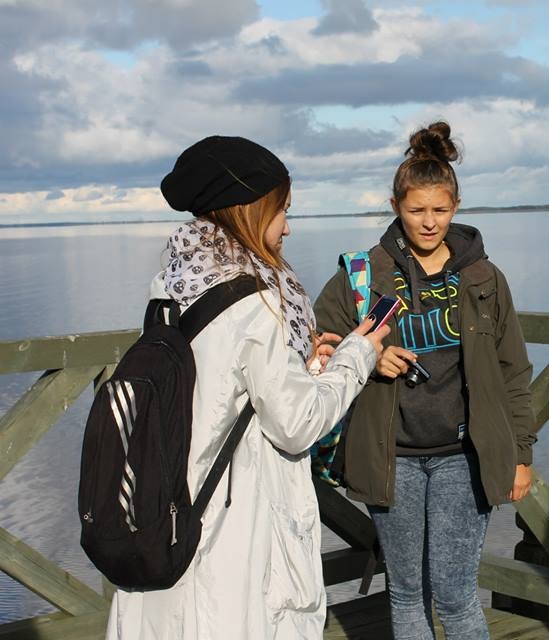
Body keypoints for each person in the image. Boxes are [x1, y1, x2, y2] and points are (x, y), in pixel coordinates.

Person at [106, 135, 388, 639]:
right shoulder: (252, 301)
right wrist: (357, 354)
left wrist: (305, 369)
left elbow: (226, 392)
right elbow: (296, 424)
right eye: (282, 210)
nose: (287, 227)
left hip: (170, 509)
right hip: (236, 528)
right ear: (249, 211)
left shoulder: (174, 284)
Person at [314, 121, 535, 639]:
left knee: (457, 596)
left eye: (439, 210)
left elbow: (513, 371)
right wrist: (367, 357)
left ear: (455, 207)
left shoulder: (483, 278)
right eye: (417, 210)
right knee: (407, 593)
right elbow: (317, 347)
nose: (429, 222)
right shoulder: (364, 274)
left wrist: (521, 453)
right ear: (396, 206)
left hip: (465, 454)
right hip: (393, 458)